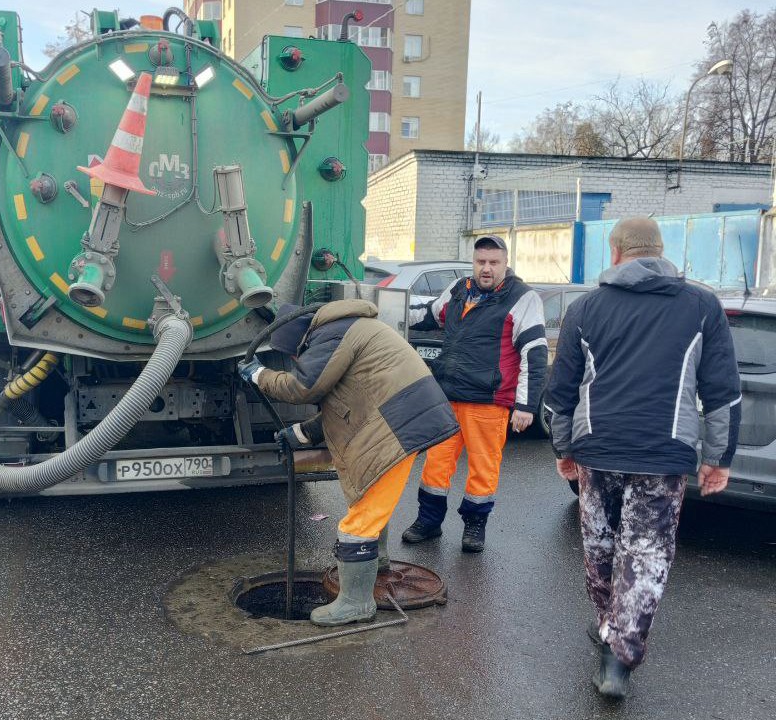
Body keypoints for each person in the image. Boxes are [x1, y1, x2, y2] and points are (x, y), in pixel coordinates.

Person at [546, 217, 741, 699]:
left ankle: (610, 629)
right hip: (664, 454)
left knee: (601, 545)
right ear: (660, 252)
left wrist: (563, 449)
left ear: (615, 253)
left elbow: (560, 392)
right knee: (646, 551)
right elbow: (722, 393)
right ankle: (618, 655)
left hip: (598, 449)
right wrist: (717, 458)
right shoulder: (701, 305)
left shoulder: (586, 308)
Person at [238, 299, 458, 627]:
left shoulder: (333, 336)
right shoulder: (346, 331)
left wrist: (259, 374)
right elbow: (344, 403)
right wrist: (298, 434)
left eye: (295, 355)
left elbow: (302, 387)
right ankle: (377, 559)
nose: (298, 361)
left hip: (396, 428)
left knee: (357, 524)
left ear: (301, 342)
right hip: (403, 421)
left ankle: (356, 603)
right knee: (370, 499)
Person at [401, 235, 548, 552]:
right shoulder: (458, 290)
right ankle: (428, 522)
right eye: (481, 261)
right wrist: (386, 307)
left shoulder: (523, 298)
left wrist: (526, 406)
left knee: (483, 470)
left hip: (489, 402)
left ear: (505, 264)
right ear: (473, 262)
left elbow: (534, 355)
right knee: (434, 466)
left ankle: (474, 528)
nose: (486, 269)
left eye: (494, 263)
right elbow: (429, 314)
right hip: (448, 396)